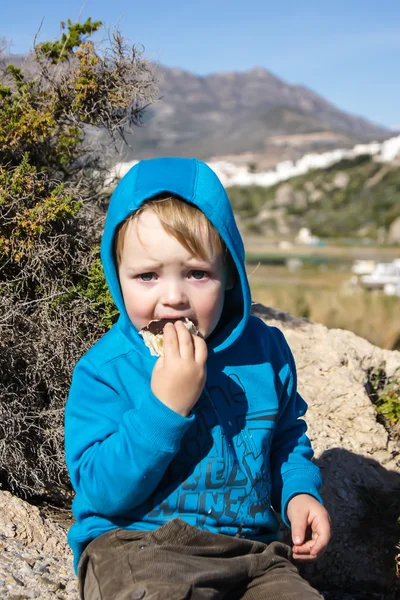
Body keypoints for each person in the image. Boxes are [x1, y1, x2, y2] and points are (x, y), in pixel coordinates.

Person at [65, 157, 331, 600]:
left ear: (228, 275)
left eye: (197, 273)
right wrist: (165, 407)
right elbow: (100, 492)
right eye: (147, 276)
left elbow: (286, 436)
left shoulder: (264, 351)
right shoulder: (106, 370)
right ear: (118, 276)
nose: (173, 297)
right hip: (139, 546)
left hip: (253, 553)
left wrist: (300, 492)